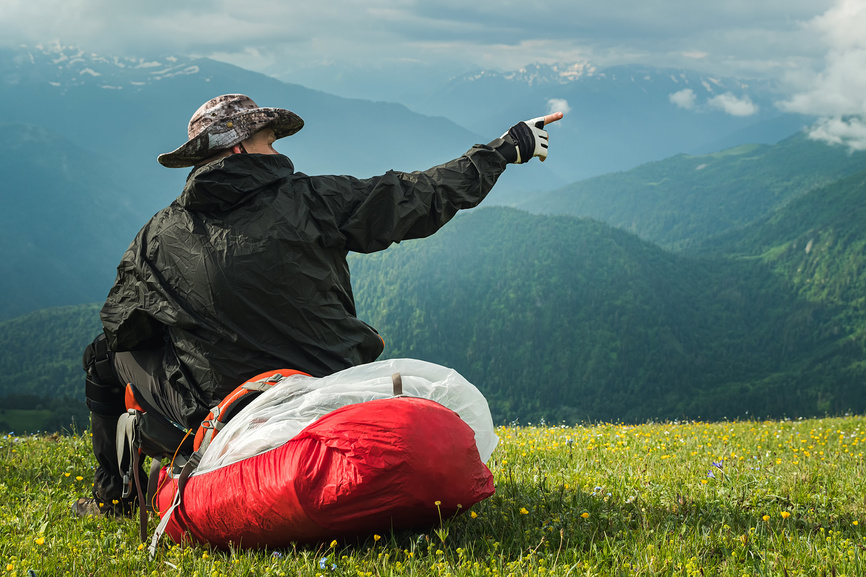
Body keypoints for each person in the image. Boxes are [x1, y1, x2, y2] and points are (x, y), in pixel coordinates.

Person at [73, 93, 563, 517]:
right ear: (238, 147)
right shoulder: (312, 199)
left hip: (225, 406)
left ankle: (115, 497)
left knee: (103, 358)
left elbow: (122, 329)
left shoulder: (158, 236)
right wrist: (503, 150)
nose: (275, 148)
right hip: (329, 383)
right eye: (268, 139)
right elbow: (420, 195)